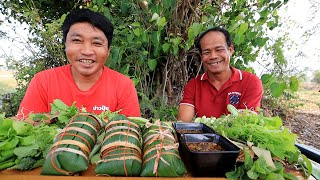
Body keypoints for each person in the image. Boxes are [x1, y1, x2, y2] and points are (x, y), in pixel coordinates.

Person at [16, 8, 140, 120]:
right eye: (77, 41)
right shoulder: (43, 81)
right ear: (65, 45)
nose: (87, 51)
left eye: (96, 43)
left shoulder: (123, 86)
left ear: (108, 51)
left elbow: (128, 134)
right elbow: (26, 126)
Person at [177, 27, 263, 122]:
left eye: (219, 50)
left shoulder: (250, 82)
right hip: (203, 137)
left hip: (234, 137)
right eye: (207, 52)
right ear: (201, 56)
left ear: (230, 50)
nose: (213, 56)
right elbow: (183, 123)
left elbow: (244, 123)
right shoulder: (193, 85)